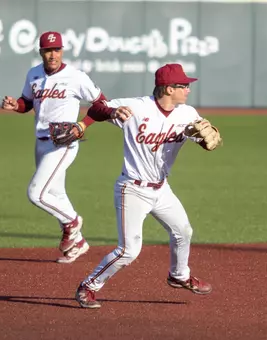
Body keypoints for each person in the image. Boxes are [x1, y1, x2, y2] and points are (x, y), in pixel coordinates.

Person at [73, 63, 223, 308]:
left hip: (161, 189)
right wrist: (111, 114)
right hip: (132, 189)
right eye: (183, 85)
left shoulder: (187, 113)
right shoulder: (136, 107)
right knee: (129, 251)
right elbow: (97, 107)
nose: (188, 89)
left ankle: (179, 275)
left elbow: (203, 138)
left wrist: (207, 142)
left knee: (183, 231)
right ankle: (89, 285)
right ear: (167, 88)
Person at [1, 31, 108, 264]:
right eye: (48, 50)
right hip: (40, 142)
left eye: (57, 49)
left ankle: (72, 222)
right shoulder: (34, 74)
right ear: (41, 52)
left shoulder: (76, 77)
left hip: (64, 143)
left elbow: (102, 104)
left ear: (62, 51)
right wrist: (15, 106)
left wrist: (83, 124)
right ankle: (78, 243)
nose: (53, 54)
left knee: (36, 193)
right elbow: (27, 103)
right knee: (56, 194)